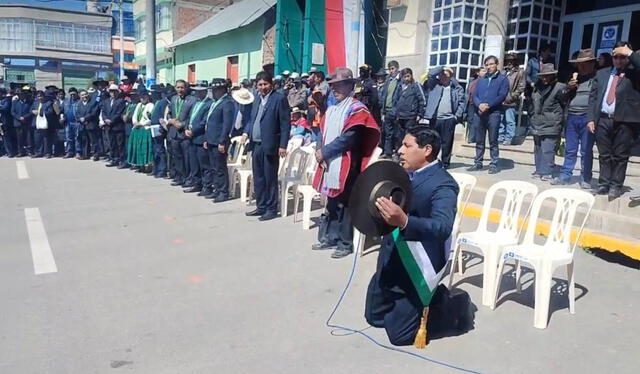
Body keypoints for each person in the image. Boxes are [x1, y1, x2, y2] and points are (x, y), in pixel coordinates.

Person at [365, 126, 458, 346]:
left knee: (399, 336)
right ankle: (409, 304)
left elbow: (442, 227)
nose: (400, 150)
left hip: (416, 264)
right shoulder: (402, 174)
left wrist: (405, 221)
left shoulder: (444, 184)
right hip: (391, 257)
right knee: (374, 317)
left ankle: (446, 304)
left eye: (407, 146)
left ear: (427, 150)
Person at [311, 67, 380, 258]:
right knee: (332, 201)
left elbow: (349, 138)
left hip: (348, 162)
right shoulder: (332, 109)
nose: (335, 89)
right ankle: (330, 237)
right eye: (332, 86)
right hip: (330, 161)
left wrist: (325, 152)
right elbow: (321, 133)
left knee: (347, 203)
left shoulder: (357, 109)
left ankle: (345, 242)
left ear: (350, 85)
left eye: (339, 85)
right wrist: (320, 151)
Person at [587, 41, 640, 200]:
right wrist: (591, 119)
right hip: (603, 119)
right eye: (616, 57)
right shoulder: (602, 73)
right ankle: (604, 183)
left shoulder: (634, 73)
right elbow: (593, 97)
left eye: (623, 57)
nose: (619, 60)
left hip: (625, 121)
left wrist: (630, 53)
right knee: (604, 155)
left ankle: (616, 186)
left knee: (620, 155)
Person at [243, 71, 291, 221]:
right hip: (256, 144)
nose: (263, 87)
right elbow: (252, 118)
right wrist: (247, 133)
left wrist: (283, 145)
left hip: (270, 144)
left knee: (270, 178)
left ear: (272, 84)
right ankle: (261, 205)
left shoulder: (279, 99)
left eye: (265, 84)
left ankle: (271, 208)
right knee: (259, 177)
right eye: (260, 85)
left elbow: (285, 124)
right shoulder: (257, 99)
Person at [552, 49, 598, 189]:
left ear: (591, 64)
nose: (581, 67)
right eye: (579, 64)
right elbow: (561, 98)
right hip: (572, 116)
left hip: (587, 117)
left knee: (585, 149)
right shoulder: (573, 78)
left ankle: (585, 177)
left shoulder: (596, 78)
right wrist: (568, 88)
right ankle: (565, 175)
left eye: (584, 64)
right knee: (570, 149)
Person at [467, 56, 510, 174]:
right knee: (479, 140)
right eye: (487, 65)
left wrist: (489, 105)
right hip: (480, 113)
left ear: (497, 64)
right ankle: (478, 162)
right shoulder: (481, 79)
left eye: (491, 64)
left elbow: (502, 95)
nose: (489, 67)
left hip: (493, 113)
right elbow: (474, 95)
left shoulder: (502, 79)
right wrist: (479, 104)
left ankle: (494, 164)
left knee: (493, 140)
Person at [529, 64, 568, 181]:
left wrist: (561, 123)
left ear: (553, 76)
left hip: (552, 123)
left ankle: (547, 172)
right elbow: (533, 103)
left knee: (548, 149)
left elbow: (564, 104)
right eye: (543, 76)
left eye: (547, 76)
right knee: (538, 148)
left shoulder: (560, 87)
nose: (545, 79)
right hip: (537, 122)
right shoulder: (537, 87)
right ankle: (539, 170)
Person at [423, 66, 466, 169]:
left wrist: (456, 117)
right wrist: (442, 68)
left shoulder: (456, 88)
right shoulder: (434, 85)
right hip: (435, 119)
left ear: (451, 77)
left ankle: (445, 164)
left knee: (447, 144)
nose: (443, 77)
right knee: (433, 142)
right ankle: (432, 162)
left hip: (449, 119)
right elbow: (430, 74)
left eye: (446, 75)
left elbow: (462, 103)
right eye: (442, 74)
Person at [200, 78, 235, 202]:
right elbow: (209, 122)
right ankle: (217, 189)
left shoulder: (227, 103)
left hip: (219, 141)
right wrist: (206, 139)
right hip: (211, 139)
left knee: (220, 168)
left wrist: (222, 141)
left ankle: (223, 192)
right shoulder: (216, 102)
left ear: (221, 90)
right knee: (213, 167)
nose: (213, 93)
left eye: (215, 90)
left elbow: (226, 124)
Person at [385, 68, 426, 157]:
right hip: (400, 116)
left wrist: (420, 114)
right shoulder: (400, 87)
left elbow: (422, 100)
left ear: (411, 76)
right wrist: (395, 113)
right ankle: (399, 153)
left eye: (408, 76)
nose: (407, 78)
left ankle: (409, 155)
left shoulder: (416, 86)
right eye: (405, 76)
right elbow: (395, 100)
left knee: (409, 136)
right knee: (399, 137)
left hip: (411, 116)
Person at [181, 82, 212, 193]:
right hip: (191, 137)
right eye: (196, 91)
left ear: (205, 91)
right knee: (194, 163)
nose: (197, 93)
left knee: (204, 164)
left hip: (200, 137)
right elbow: (190, 117)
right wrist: (186, 128)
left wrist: (193, 131)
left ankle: (207, 186)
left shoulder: (209, 104)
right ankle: (196, 183)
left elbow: (204, 122)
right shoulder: (196, 103)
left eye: (199, 91)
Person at [166, 80, 197, 186]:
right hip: (174, 133)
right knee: (177, 156)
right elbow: (169, 112)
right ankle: (180, 176)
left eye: (182, 87)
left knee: (187, 157)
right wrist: (170, 120)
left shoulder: (192, 100)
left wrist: (183, 124)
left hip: (184, 133)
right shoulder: (173, 99)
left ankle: (189, 178)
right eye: (178, 87)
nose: (180, 90)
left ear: (186, 88)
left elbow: (192, 116)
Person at [126, 87, 155, 172]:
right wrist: (135, 122)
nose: (143, 99)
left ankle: (147, 166)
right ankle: (139, 165)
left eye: (144, 97)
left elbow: (150, 119)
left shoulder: (151, 105)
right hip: (136, 128)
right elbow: (134, 116)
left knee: (144, 148)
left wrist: (141, 123)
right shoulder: (138, 105)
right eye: (141, 97)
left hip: (145, 129)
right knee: (137, 148)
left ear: (147, 97)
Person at [500, 53, 526, 145]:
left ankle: (509, 138)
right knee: (500, 120)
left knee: (509, 120)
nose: (509, 62)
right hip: (501, 99)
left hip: (510, 100)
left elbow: (521, 87)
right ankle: (500, 137)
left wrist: (512, 96)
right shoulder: (503, 71)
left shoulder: (519, 72)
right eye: (508, 60)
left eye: (511, 61)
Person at [102, 84, 127, 167]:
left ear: (117, 92)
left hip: (118, 126)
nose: (112, 93)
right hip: (109, 127)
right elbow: (104, 112)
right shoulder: (106, 101)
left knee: (120, 145)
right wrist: (105, 119)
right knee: (112, 144)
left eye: (114, 91)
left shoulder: (121, 101)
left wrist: (111, 120)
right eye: (111, 91)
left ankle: (122, 161)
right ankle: (114, 159)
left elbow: (119, 113)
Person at [149, 84, 171, 178]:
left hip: (159, 128)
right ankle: (156, 168)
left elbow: (163, 116)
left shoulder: (163, 102)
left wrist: (163, 126)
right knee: (155, 149)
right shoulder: (156, 102)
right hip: (153, 127)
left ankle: (162, 169)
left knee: (160, 149)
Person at [76, 89, 101, 160]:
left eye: (85, 94)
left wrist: (85, 118)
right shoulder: (79, 104)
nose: (84, 96)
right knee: (84, 140)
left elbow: (94, 112)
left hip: (91, 124)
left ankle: (96, 155)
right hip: (82, 125)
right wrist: (80, 119)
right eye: (82, 95)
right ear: (80, 96)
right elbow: (77, 113)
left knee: (94, 141)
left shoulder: (93, 103)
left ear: (88, 95)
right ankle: (85, 154)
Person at [465, 67, 486, 143]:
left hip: (479, 104)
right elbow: (468, 93)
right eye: (483, 71)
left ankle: (476, 138)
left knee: (478, 121)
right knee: (470, 120)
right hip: (471, 103)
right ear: (478, 73)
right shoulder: (473, 82)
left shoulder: (486, 81)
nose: (485, 72)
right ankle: (471, 138)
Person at [11, 87, 34, 157]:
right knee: (19, 138)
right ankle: (20, 152)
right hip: (18, 122)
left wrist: (25, 117)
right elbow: (12, 112)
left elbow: (31, 111)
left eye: (22, 94)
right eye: (20, 94)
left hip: (27, 122)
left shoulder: (30, 102)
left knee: (28, 138)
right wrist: (19, 118)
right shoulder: (15, 102)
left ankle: (29, 151)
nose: (21, 96)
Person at [62, 88, 80, 159]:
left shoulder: (79, 102)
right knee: (68, 138)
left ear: (77, 94)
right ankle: (69, 152)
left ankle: (78, 152)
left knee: (77, 138)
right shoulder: (66, 102)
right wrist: (62, 117)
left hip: (76, 122)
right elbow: (61, 110)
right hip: (68, 122)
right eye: (71, 94)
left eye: (74, 94)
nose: (72, 96)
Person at [0, 88, 16, 157]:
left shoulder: (7, 100)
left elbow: (5, 108)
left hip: (5, 122)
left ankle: (10, 152)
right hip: (3, 121)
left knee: (6, 137)